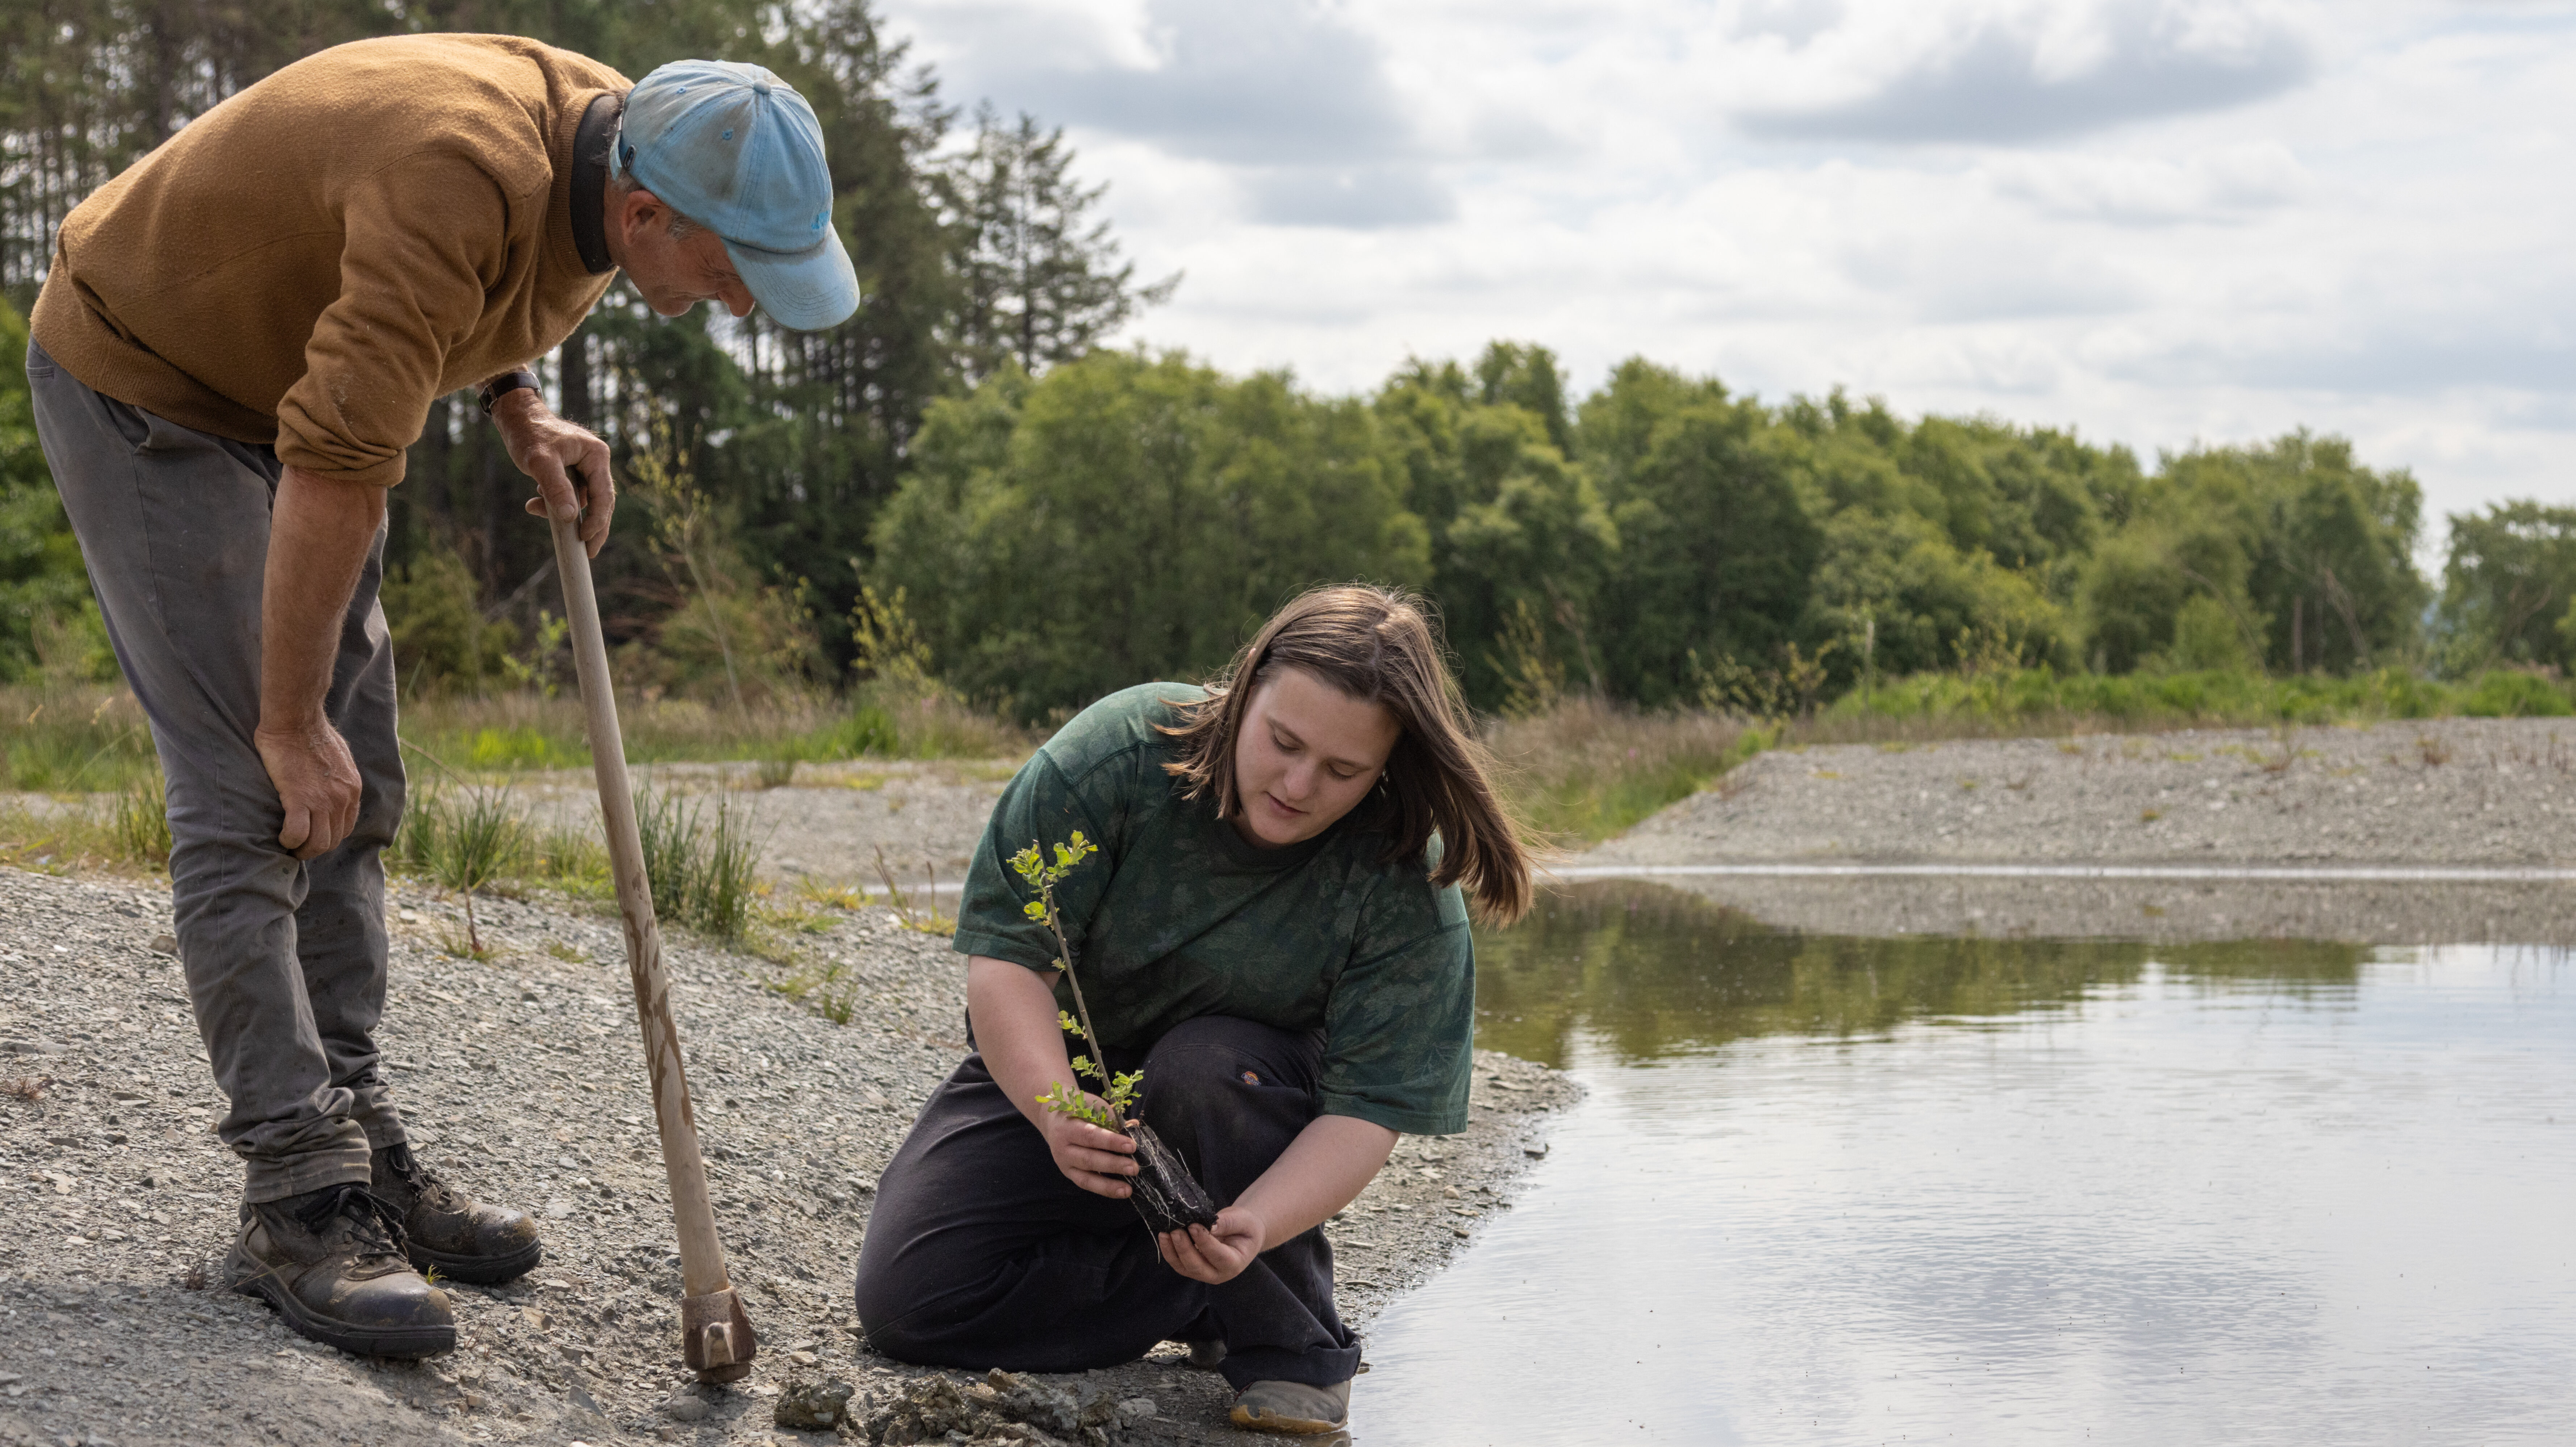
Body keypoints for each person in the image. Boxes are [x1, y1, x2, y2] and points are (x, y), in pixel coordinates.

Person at [22, 35, 861, 1358]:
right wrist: (287, 719)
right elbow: (342, 459)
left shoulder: (625, 135)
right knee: (259, 787)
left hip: (291, 382)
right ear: (646, 214)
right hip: (153, 374)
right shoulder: (459, 165)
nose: (743, 304)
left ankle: (354, 1131)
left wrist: (518, 399)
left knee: (362, 780)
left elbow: (455, 285)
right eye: (733, 266)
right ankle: (297, 1191)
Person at [854, 585, 1537, 1436]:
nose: (1298, 785)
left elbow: (1366, 1115)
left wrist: (1260, 1223)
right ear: (1244, 688)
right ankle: (1198, 1295)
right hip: (1068, 1072)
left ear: (1387, 767)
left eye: (1342, 771)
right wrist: (1055, 1110)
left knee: (1205, 1065)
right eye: (1283, 742)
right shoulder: (1116, 756)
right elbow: (1007, 965)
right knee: (912, 1302)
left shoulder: (1405, 879)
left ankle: (1288, 1341)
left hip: (1240, 1099)